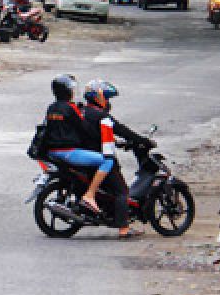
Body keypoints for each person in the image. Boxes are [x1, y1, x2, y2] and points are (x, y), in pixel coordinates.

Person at [80, 79, 154, 238]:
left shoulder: (82, 111)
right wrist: (144, 141)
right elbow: (122, 130)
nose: (107, 102)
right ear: (97, 98)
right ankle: (124, 229)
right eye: (106, 98)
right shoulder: (101, 116)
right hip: (100, 158)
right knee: (122, 191)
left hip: (82, 156)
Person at [43, 74, 112, 217]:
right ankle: (90, 195)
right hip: (68, 152)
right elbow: (85, 128)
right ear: (68, 91)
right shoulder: (71, 108)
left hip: (52, 152)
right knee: (107, 160)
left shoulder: (51, 108)